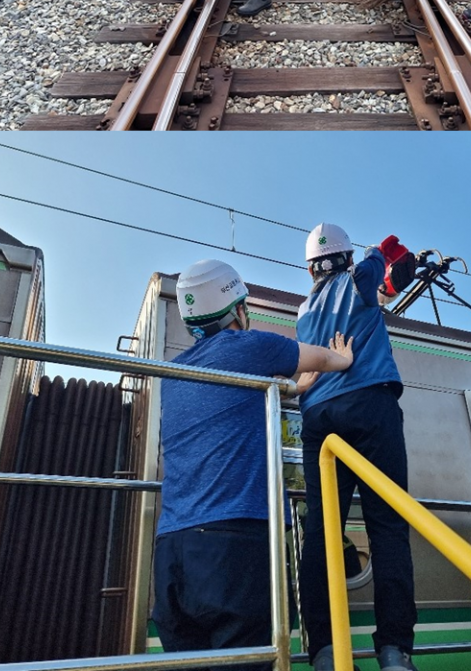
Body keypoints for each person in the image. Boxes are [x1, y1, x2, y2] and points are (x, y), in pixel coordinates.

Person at [152, 257, 355, 666]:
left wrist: (291, 391)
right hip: (235, 543)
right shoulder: (253, 346)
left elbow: (229, 403)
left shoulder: (172, 372)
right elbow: (326, 359)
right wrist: (343, 359)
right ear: (238, 309)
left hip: (173, 551)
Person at [296, 224, 418, 671]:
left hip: (318, 418)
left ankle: (325, 649)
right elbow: (374, 271)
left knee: (322, 531)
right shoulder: (357, 279)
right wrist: (375, 250)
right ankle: (394, 649)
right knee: (387, 526)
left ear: (310, 268)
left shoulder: (305, 310)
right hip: (370, 403)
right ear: (345, 258)